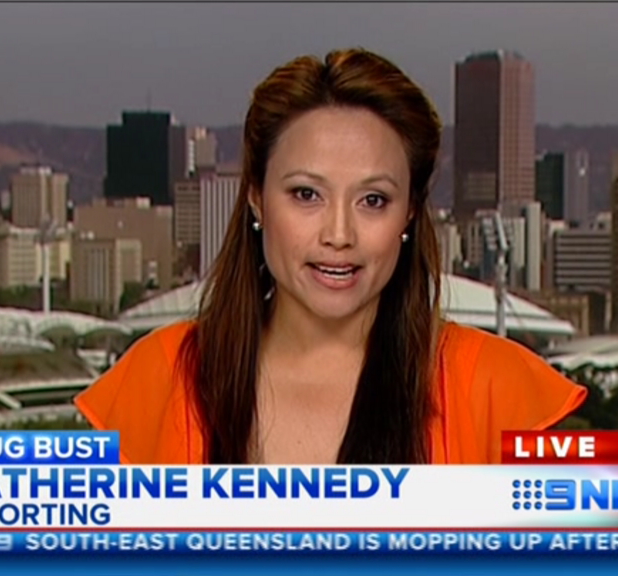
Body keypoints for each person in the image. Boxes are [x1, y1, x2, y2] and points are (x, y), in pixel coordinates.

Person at [76, 48, 586, 465]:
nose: (339, 235)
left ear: (410, 213)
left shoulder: (496, 386)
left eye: (373, 200)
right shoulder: (160, 377)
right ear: (256, 199)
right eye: (306, 195)